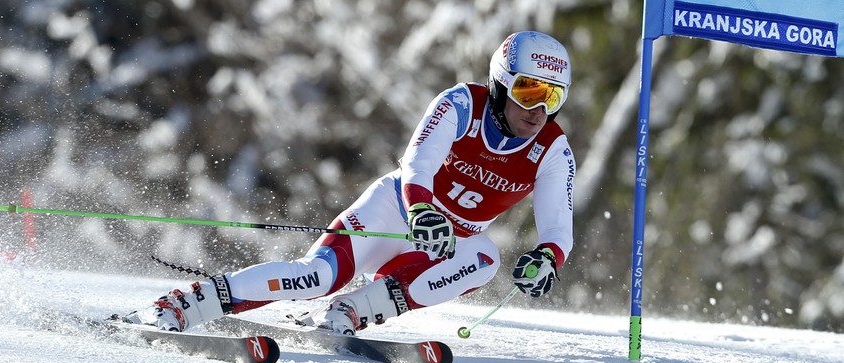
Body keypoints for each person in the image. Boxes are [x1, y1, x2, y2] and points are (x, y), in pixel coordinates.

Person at [124, 30, 577, 335]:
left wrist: (547, 258)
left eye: (551, 96)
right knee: (317, 275)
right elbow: (419, 163)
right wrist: (420, 208)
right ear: (501, 84)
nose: (538, 109)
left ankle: (351, 311)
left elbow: (558, 227)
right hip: (396, 212)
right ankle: (184, 304)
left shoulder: (553, 151)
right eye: (528, 91)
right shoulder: (461, 104)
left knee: (483, 257)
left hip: (445, 243)